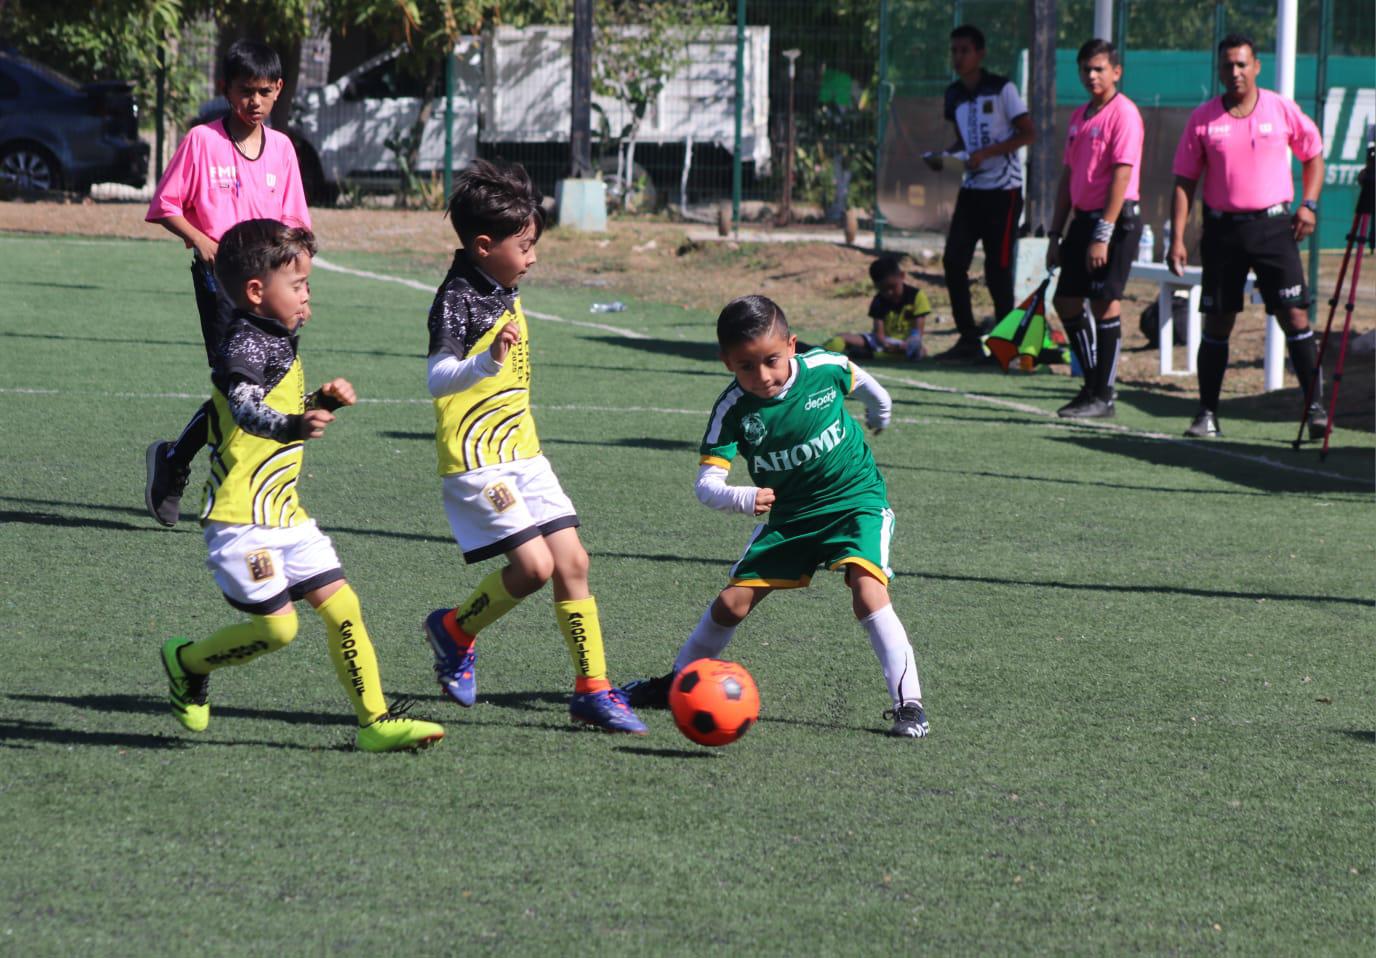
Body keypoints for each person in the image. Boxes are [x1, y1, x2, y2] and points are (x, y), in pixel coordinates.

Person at [158, 219, 445, 752]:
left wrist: (319, 403)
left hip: (285, 514)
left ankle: (375, 722)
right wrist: (294, 424)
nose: (308, 294)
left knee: (344, 607)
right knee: (278, 630)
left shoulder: (278, 338)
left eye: (308, 283)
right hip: (240, 520)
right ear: (255, 291)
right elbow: (246, 410)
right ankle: (187, 661)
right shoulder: (241, 345)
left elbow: (278, 408)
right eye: (298, 284)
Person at [624, 295, 931, 739]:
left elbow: (864, 382)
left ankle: (909, 706)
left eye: (771, 360)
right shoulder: (732, 410)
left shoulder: (823, 367)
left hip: (854, 500)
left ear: (791, 345)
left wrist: (879, 411)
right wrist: (742, 498)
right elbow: (706, 486)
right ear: (727, 362)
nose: (763, 376)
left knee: (867, 590)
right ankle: (678, 681)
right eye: (746, 366)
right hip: (790, 518)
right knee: (731, 604)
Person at [419, 159, 647, 735]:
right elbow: (438, 376)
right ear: (483, 245)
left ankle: (593, 688)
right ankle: (454, 629)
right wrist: (484, 363)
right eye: (525, 245)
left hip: (524, 452)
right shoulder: (458, 298)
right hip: (478, 459)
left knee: (573, 561)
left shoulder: (504, 282)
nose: (534, 255)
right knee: (535, 566)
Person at [144, 40, 311, 527]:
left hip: (271, 288)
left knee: (259, 381)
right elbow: (165, 206)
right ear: (226, 89)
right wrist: (203, 241)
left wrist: (300, 284)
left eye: (263, 91)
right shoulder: (201, 140)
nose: (253, 101)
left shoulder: (281, 149)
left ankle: (175, 459)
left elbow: (296, 224)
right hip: (220, 282)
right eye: (244, 91)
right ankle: (212, 478)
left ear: (278, 90)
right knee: (236, 380)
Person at [1169, 33, 1326, 439]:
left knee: (1295, 316)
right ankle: (1206, 415)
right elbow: (1184, 181)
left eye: (1242, 64)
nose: (1235, 72)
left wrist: (1308, 205)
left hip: (1274, 228)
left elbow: (1313, 155)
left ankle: (1316, 411)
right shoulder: (1203, 119)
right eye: (1227, 66)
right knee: (1218, 321)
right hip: (1222, 231)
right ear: (1219, 71)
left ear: (1256, 66)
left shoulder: (1280, 108)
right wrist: (1178, 239)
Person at [1046, 39, 1145, 419]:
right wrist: (1055, 233)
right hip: (1082, 220)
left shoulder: (1125, 114)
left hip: (1114, 222)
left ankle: (1104, 394)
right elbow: (1069, 175)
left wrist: (1104, 232)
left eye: (1100, 69)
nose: (1092, 75)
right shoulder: (1079, 116)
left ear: (1116, 72)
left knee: (1105, 303)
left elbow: (1122, 174)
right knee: (1066, 300)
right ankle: (1092, 385)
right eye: (1086, 69)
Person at [928, 24, 1036, 363]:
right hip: (972, 188)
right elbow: (966, 141)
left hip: (1004, 190)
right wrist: (947, 157)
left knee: (998, 268)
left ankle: (1006, 345)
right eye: (954, 51)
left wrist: (987, 155)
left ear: (980, 53)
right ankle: (968, 339)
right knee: (953, 261)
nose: (958, 57)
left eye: (965, 50)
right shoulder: (954, 94)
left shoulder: (1002, 88)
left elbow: (1028, 134)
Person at [826, 255, 933, 361]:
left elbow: (917, 332)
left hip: (906, 342)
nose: (889, 293)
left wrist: (907, 344)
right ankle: (818, 353)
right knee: (840, 339)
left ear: (902, 276)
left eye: (892, 287)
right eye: (883, 289)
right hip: (882, 341)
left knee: (920, 352)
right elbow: (879, 335)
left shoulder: (917, 296)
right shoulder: (878, 300)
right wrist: (886, 345)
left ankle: (868, 355)